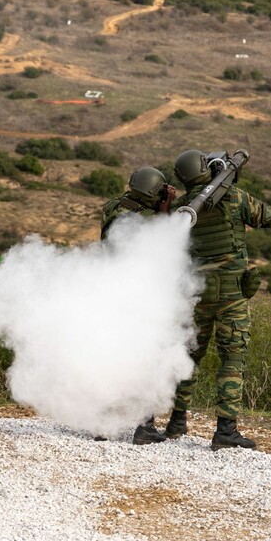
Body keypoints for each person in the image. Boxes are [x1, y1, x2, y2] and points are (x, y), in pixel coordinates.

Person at [163, 149, 271, 450]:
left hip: (196, 294)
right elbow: (269, 217)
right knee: (231, 359)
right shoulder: (235, 198)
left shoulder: (181, 209)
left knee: (188, 359)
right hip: (231, 295)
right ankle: (225, 431)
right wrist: (230, 181)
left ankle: (176, 422)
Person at [99, 166, 177, 445]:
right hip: (136, 296)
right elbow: (162, 237)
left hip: (109, 291)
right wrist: (166, 209)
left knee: (112, 357)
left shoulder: (114, 207)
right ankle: (145, 426)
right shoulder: (141, 219)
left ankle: (102, 424)